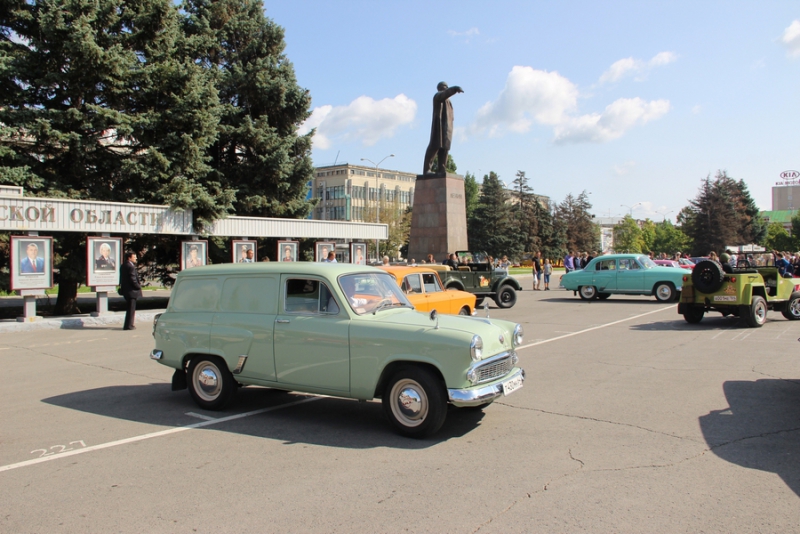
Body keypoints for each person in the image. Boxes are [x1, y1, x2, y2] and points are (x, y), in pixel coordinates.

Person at [422, 81, 464, 175]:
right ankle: (427, 170)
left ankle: (442, 168)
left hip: (448, 128)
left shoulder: (449, 102)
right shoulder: (438, 96)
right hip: (439, 125)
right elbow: (444, 94)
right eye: (443, 87)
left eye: (446, 87)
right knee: (434, 146)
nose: (445, 88)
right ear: (439, 88)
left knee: (445, 149)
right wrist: (455, 89)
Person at [120, 251, 142, 330]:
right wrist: (138, 286)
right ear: (129, 258)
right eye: (134, 257)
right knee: (131, 309)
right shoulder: (130, 266)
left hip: (127, 290)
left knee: (130, 309)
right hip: (131, 291)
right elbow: (132, 279)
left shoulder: (124, 265)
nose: (136, 258)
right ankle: (129, 325)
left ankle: (128, 324)